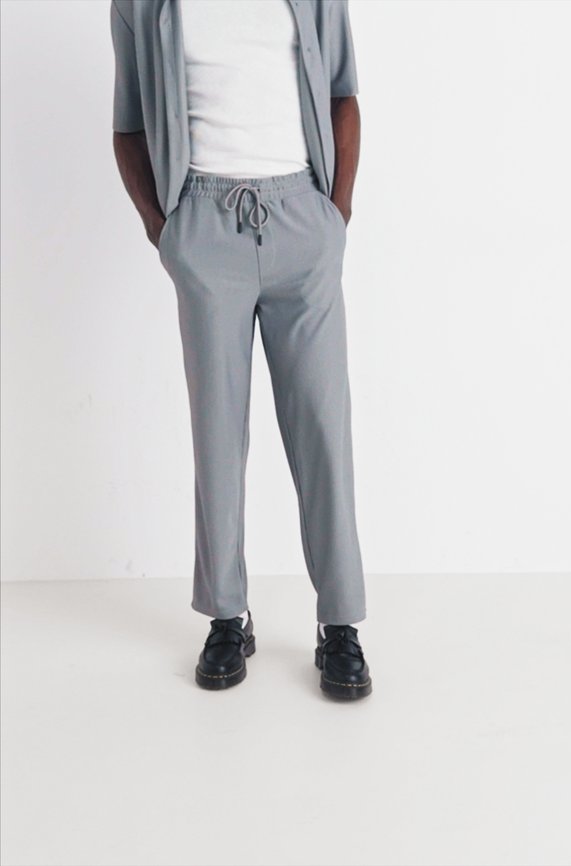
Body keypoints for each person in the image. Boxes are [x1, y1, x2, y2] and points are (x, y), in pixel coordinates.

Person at [110, 0, 372, 700]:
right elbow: (128, 125)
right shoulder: (141, 6)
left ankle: (340, 622)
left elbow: (343, 94)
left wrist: (336, 217)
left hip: (302, 219)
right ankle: (228, 615)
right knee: (217, 433)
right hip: (204, 223)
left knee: (323, 429)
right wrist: (165, 231)